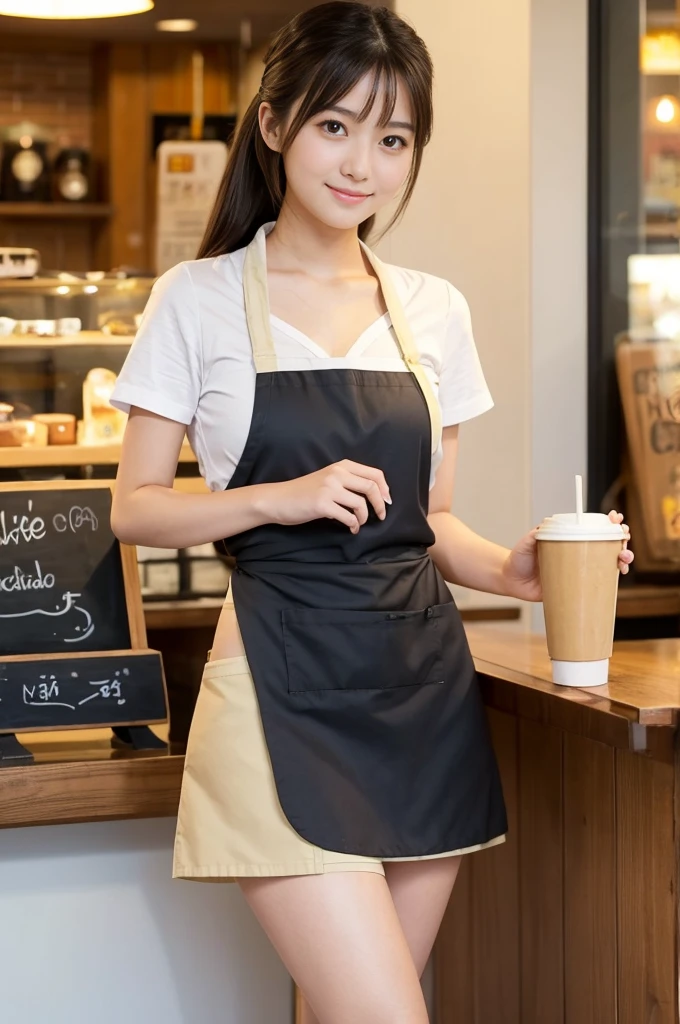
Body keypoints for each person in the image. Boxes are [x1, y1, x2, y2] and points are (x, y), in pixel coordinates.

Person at [110, 3, 634, 1021]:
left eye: (391, 139)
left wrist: (514, 569)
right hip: (273, 686)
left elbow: (431, 520)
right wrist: (276, 496)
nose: (361, 163)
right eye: (335, 126)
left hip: (417, 697)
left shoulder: (432, 308)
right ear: (274, 125)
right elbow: (131, 508)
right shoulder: (199, 298)